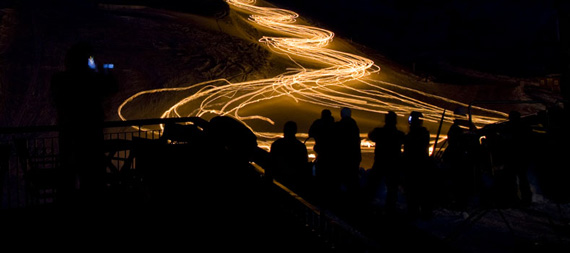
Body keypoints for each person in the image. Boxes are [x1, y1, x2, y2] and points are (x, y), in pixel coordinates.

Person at [51, 42, 117, 207]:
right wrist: (99, 71)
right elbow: (111, 87)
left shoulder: (60, 79)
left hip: (69, 133)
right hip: (90, 134)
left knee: (69, 174)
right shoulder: (90, 80)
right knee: (92, 175)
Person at [366, 111, 405, 214]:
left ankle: (368, 204)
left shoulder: (380, 132)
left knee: (373, 183)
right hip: (393, 163)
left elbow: (371, 135)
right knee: (392, 188)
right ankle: (390, 208)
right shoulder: (398, 134)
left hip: (381, 161)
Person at [403, 111, 433, 219]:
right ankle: (423, 213)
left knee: (415, 191)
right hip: (420, 165)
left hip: (415, 166)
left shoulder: (415, 134)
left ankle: (417, 213)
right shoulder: (423, 133)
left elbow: (411, 150)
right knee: (420, 191)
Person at [270, 121, 310, 193]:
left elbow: (271, 163)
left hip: (279, 179)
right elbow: (304, 165)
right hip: (295, 181)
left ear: (284, 130)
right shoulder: (300, 146)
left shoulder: (277, 144)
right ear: (295, 131)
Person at [333, 107, 362, 202]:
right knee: (352, 180)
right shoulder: (354, 125)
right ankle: (353, 200)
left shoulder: (340, 125)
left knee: (342, 179)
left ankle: (343, 201)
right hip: (353, 156)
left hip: (343, 157)